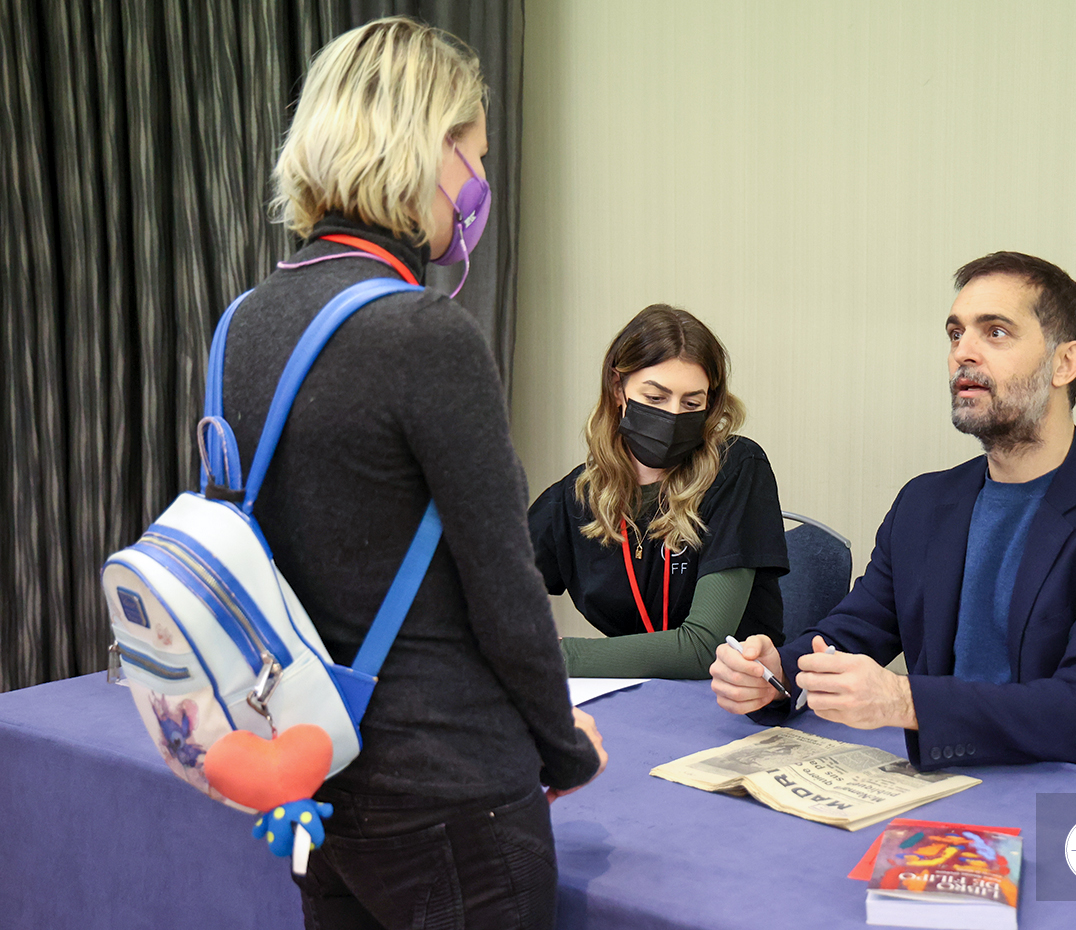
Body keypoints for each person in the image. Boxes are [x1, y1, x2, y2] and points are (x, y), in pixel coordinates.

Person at [223, 18, 603, 929]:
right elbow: (505, 584)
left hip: (323, 779)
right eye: (473, 149)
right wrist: (565, 748)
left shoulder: (246, 320)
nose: (479, 181)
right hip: (448, 789)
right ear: (427, 148)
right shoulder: (423, 333)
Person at [710, 251, 1076, 768]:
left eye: (996, 332)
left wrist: (903, 701)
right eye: (956, 333)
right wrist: (774, 673)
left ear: (1065, 362)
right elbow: (852, 633)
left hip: (1068, 803)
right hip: (937, 779)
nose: (964, 352)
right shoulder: (924, 504)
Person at [529, 305, 789, 679]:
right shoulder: (576, 496)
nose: (672, 416)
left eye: (691, 403)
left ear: (710, 404)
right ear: (618, 389)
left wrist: (552, 656)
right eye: (654, 398)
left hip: (727, 701)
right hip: (628, 699)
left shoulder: (737, 467)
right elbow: (484, 589)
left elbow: (705, 648)